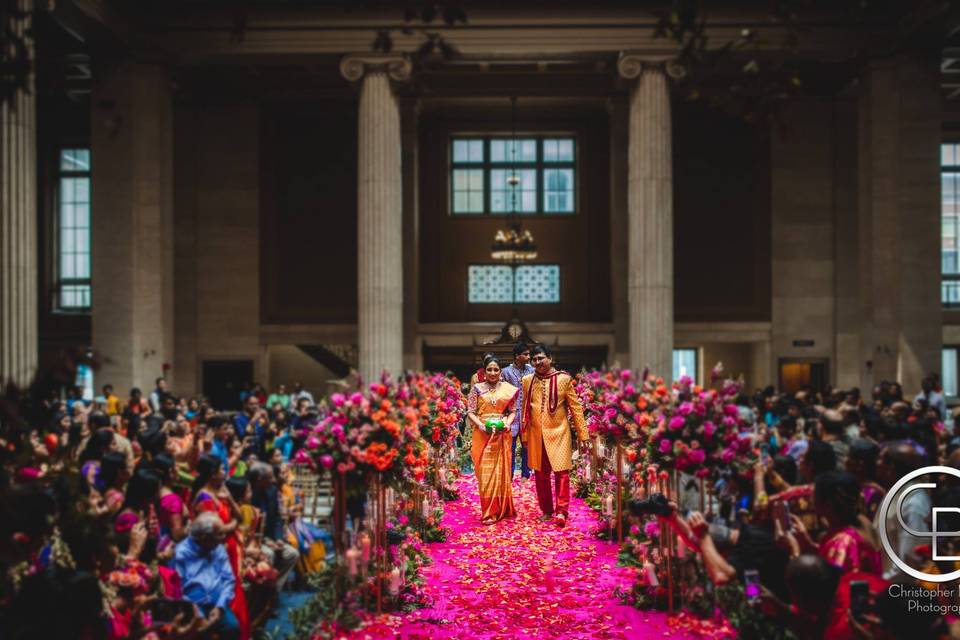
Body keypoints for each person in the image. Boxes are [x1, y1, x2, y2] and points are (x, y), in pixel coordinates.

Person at [521, 344, 588, 528]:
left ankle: (561, 511)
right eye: (534, 359)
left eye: (541, 358)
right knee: (541, 474)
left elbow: (575, 408)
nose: (537, 362)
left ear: (550, 358)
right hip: (536, 434)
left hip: (559, 432)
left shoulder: (564, 380)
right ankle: (547, 510)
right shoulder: (528, 380)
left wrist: (583, 434)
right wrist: (524, 435)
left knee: (562, 473)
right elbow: (524, 409)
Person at [192, 455, 249, 639]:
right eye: (221, 470)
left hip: (229, 549)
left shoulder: (220, 492)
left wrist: (230, 499)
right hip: (216, 552)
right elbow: (216, 530)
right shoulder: (204, 497)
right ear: (212, 474)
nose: (225, 472)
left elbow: (239, 517)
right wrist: (232, 525)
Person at [466, 355, 519, 525]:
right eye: (489, 369)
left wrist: (507, 424)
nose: (493, 372)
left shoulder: (508, 389)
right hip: (482, 434)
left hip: (501, 434)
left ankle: (502, 509)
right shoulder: (476, 388)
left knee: (501, 472)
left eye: (496, 369)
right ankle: (489, 512)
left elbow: (512, 411)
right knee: (485, 473)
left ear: (500, 371)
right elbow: (470, 412)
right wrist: (481, 426)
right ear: (484, 371)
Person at [172, 512, 241, 639]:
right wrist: (198, 614)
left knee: (233, 627)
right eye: (219, 535)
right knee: (203, 634)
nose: (223, 537)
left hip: (216, 604)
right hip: (192, 607)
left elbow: (228, 579)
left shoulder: (218, 548)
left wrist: (220, 606)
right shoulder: (180, 553)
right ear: (204, 538)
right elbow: (176, 590)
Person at [499, 342, 534, 480]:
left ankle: (526, 474)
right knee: (510, 446)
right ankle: (510, 474)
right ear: (517, 356)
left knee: (527, 446)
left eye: (529, 354)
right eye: (525, 354)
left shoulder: (531, 370)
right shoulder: (506, 372)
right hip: (511, 414)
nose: (529, 357)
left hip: (527, 414)